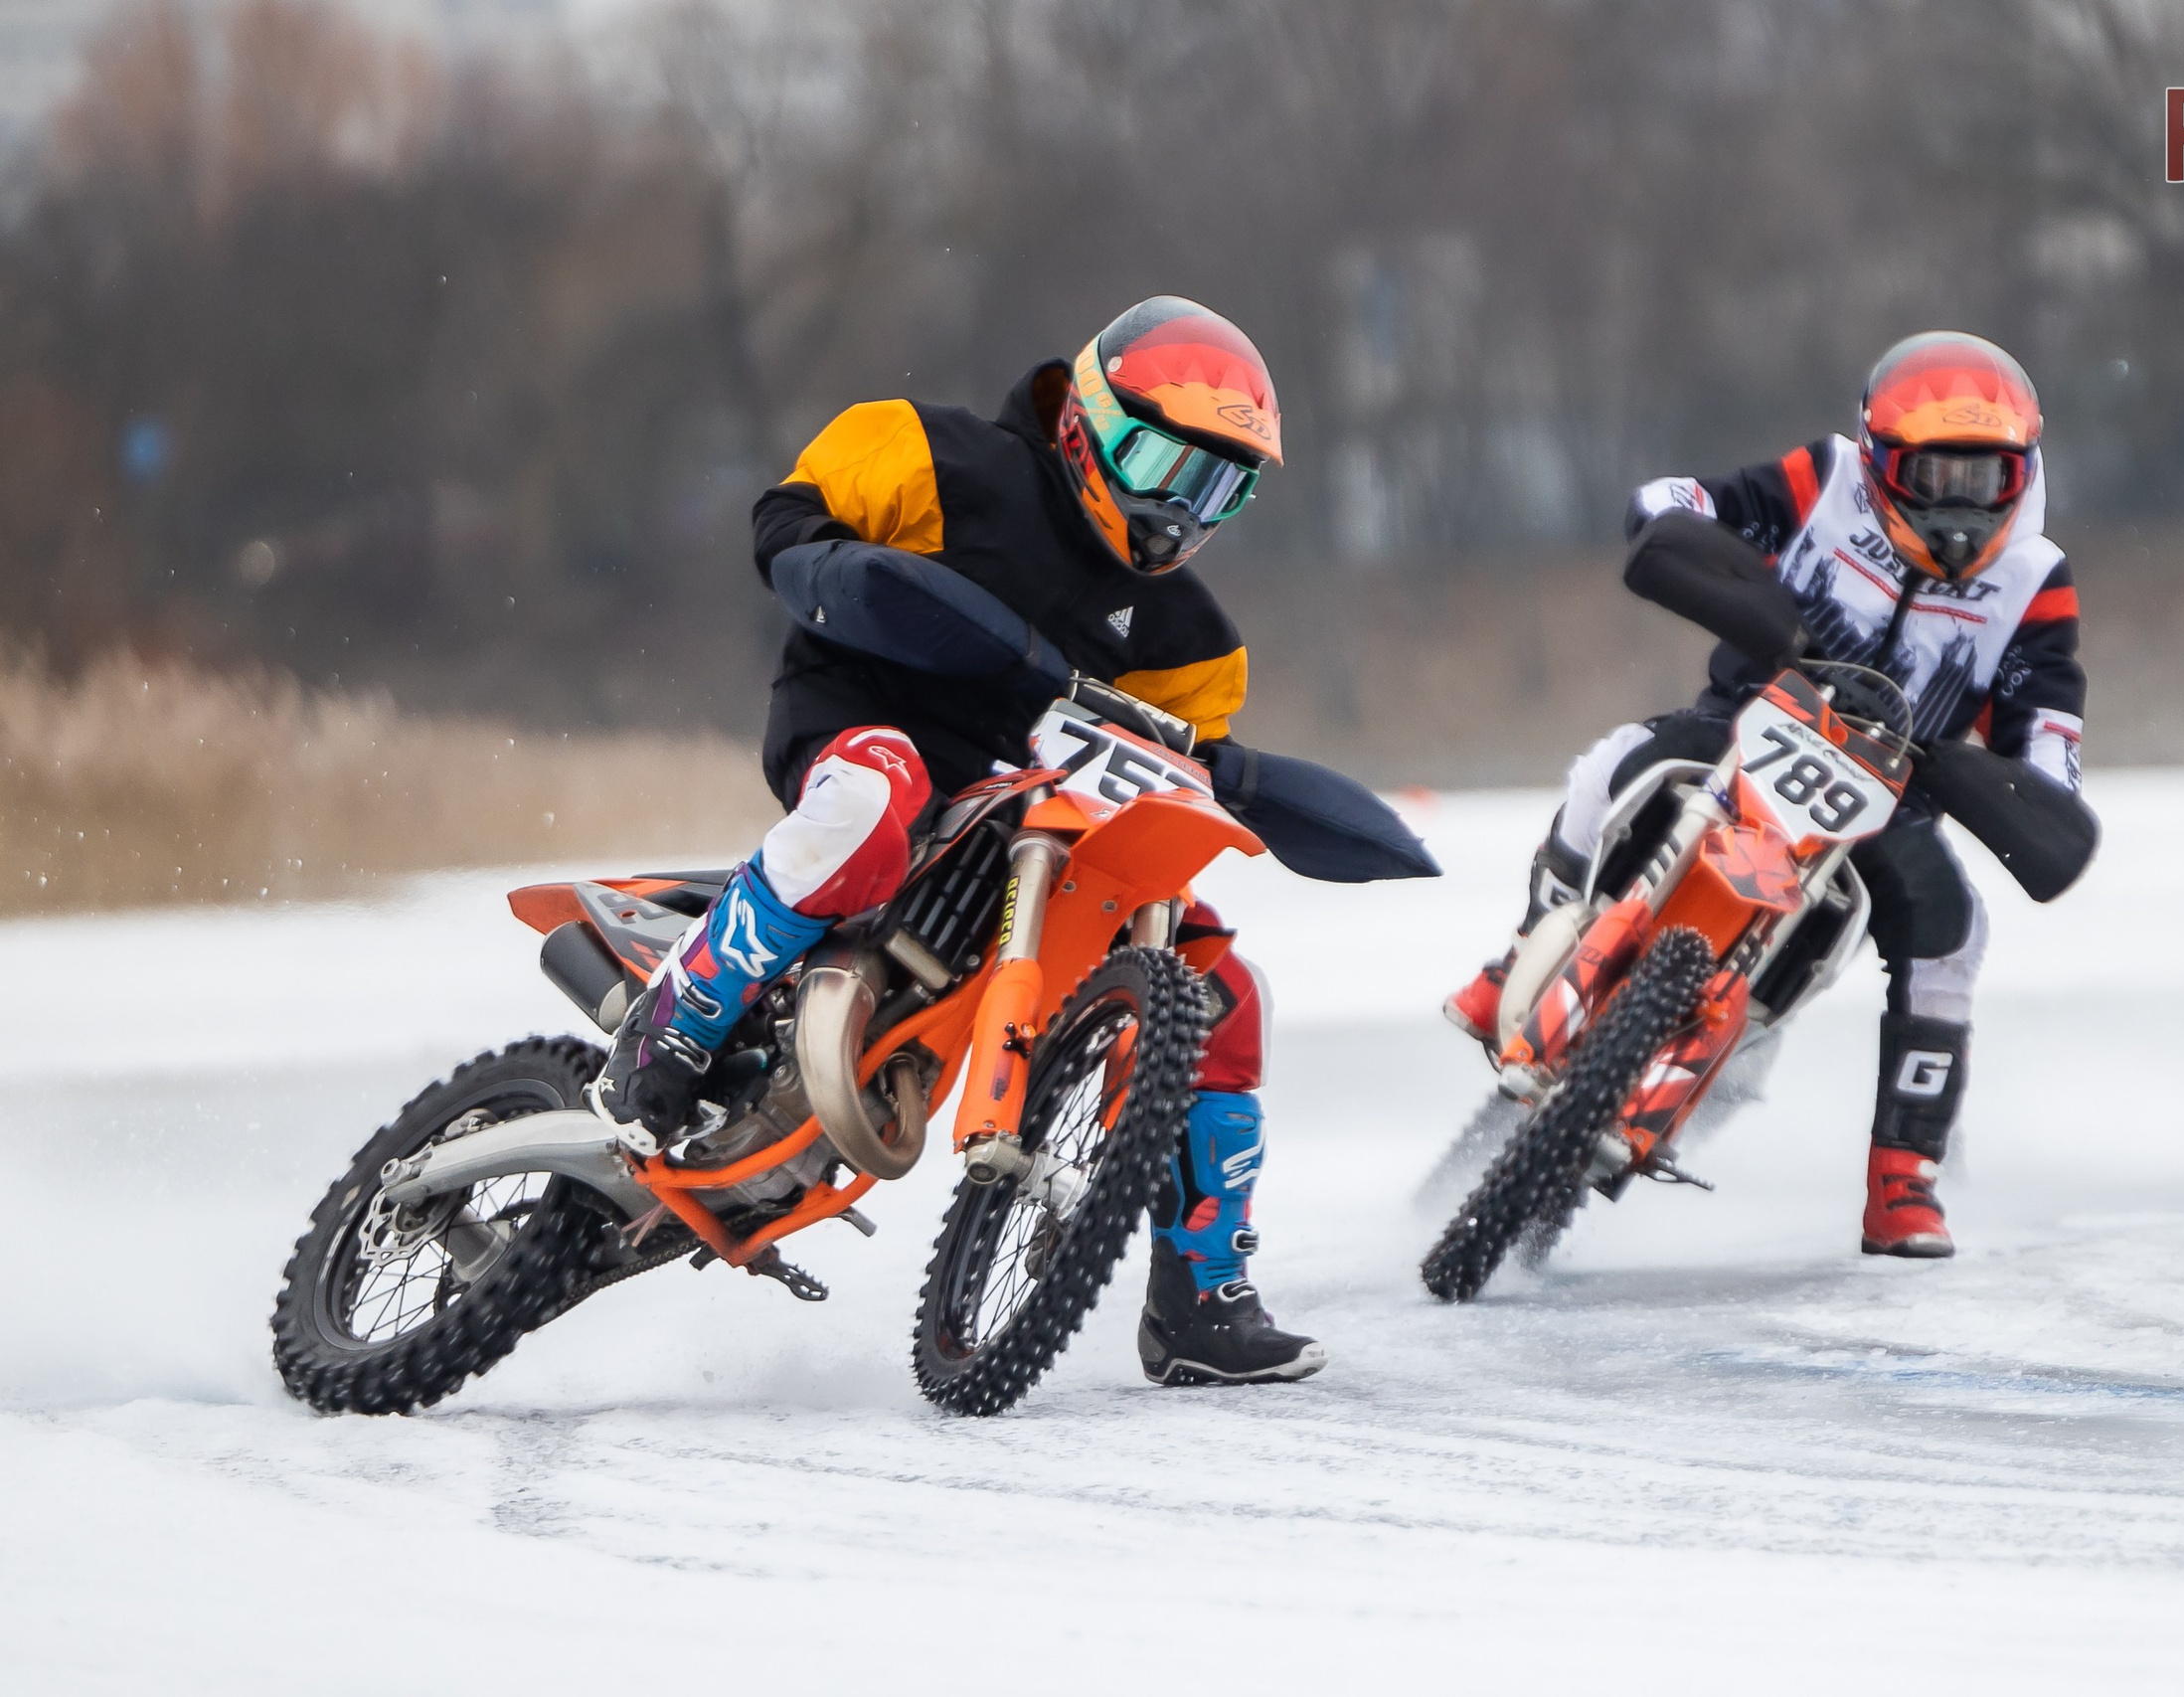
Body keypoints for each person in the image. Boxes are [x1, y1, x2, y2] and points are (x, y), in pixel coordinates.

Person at [594, 296, 1323, 1385]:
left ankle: (1200, 1297)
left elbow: (1180, 770)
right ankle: (672, 1024)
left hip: (1038, 810)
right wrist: (822, 564)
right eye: (1163, 464)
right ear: (1086, 423)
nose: (1179, 509)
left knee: (1226, 988)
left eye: (1214, 485)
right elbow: (787, 521)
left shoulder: (1198, 644)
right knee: (868, 801)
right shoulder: (929, 453)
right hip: (861, 725)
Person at [1443, 331, 2087, 1259]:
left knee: (1958, 932)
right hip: (1744, 725)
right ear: (1879, 461)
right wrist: (1726, 573)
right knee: (1613, 762)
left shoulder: (2035, 583)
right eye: (1933, 474)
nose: (1958, 506)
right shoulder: (1821, 479)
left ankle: (1903, 1180)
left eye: (1984, 480)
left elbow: (2051, 741)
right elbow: (1676, 501)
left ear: (2022, 475)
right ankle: (1521, 954)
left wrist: (1985, 776)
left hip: (1889, 803)